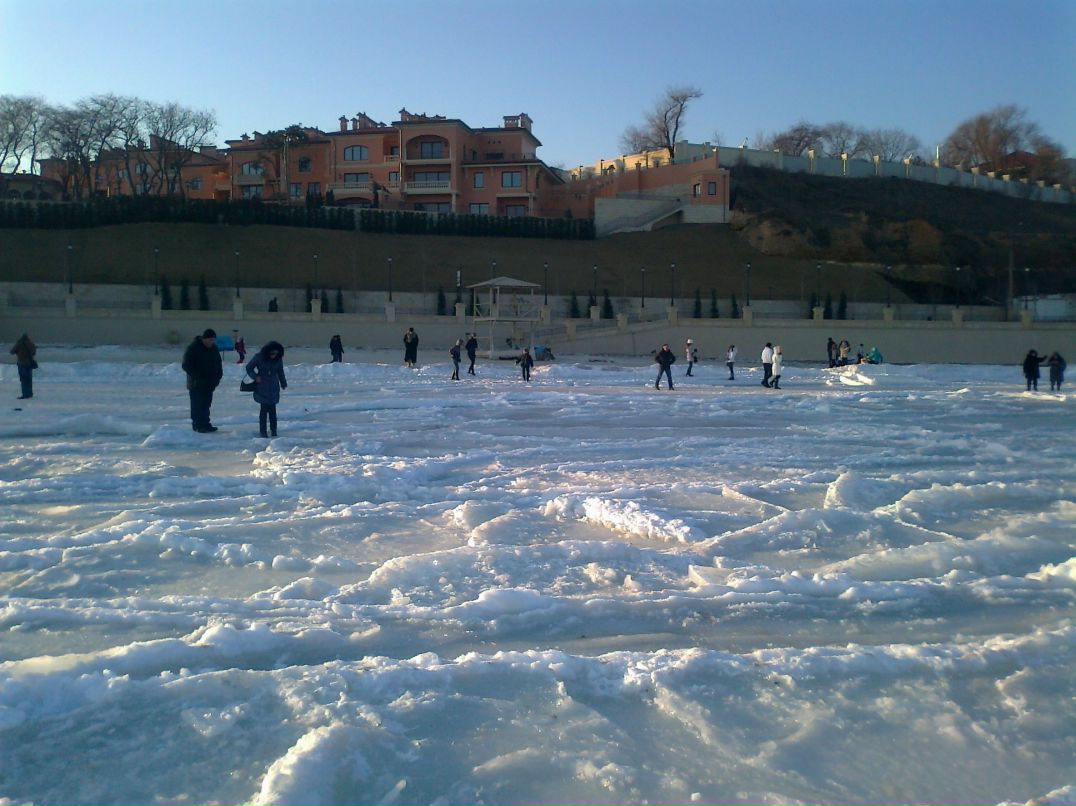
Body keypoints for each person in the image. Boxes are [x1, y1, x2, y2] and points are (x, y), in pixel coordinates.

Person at [182, 328, 223, 432]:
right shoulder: (193, 348)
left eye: (213, 340)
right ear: (204, 339)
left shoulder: (214, 349)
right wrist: (198, 377)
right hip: (196, 384)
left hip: (209, 383)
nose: (211, 342)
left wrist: (218, 377)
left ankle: (206, 423)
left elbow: (218, 363)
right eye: (210, 340)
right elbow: (186, 365)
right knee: (197, 405)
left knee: (206, 404)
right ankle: (198, 425)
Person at [245, 340, 287, 438]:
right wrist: (255, 377)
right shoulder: (259, 357)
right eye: (272, 353)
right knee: (263, 410)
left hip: (273, 387)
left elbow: (280, 371)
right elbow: (249, 368)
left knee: (273, 410)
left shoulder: (278, 359)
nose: (274, 356)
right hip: (262, 386)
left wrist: (283, 382)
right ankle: (263, 431)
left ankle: (274, 430)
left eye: (276, 354)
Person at [10, 332, 36, 400]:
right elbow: (34, 352)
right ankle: (30, 393)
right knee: (29, 379)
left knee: (23, 380)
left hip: (22, 364)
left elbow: (12, 351)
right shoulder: (31, 344)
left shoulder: (19, 344)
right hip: (29, 364)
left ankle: (25, 394)